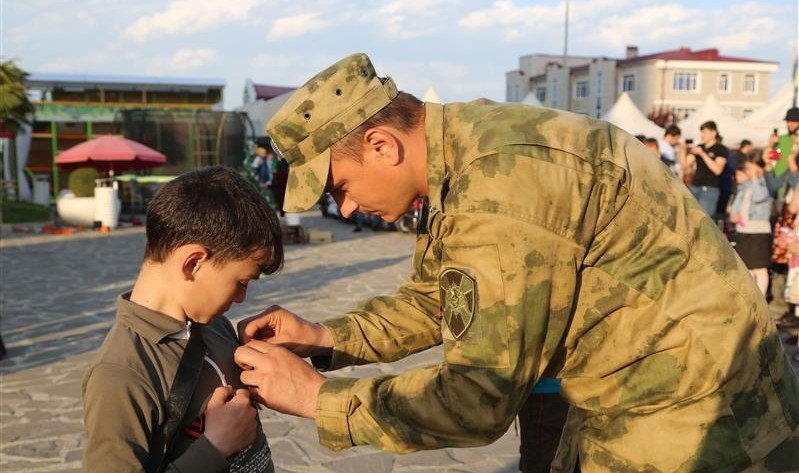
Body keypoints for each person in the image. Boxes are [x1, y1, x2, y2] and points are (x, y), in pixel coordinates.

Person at [235, 53, 799, 472]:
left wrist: (317, 399)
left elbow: (477, 398)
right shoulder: (467, 151)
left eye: (340, 188)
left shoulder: (501, 189)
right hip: (646, 401)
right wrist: (326, 337)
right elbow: (441, 298)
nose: (349, 207)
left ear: (383, 145)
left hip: (701, 428)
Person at [83, 166, 282, 472]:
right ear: (193, 263)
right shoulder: (120, 376)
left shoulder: (214, 325)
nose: (242, 298)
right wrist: (214, 448)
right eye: (242, 282)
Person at [730, 154, 772, 294]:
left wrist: (755, 177)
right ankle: (751, 297)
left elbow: (760, 196)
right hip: (744, 230)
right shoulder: (744, 188)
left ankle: (762, 300)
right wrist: (734, 216)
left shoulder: (763, 183)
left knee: (760, 268)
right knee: (747, 267)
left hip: (759, 231)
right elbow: (735, 208)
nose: (748, 171)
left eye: (750, 168)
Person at [682, 120, 728, 217]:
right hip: (695, 187)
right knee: (691, 218)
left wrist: (702, 154)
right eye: (701, 132)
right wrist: (682, 150)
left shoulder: (720, 149)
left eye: (704, 132)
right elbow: (685, 165)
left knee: (705, 219)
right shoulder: (699, 147)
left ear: (713, 133)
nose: (702, 135)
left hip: (710, 189)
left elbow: (718, 170)